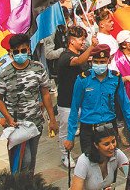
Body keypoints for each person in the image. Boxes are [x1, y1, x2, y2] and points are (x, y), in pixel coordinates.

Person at [0, 33, 59, 173]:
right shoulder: (4, 73)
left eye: (23, 50)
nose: (20, 54)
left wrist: (52, 119)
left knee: (31, 160)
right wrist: (7, 117)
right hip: (16, 125)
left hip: (35, 122)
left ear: (28, 50)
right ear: (11, 52)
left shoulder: (38, 68)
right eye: (16, 51)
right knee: (22, 161)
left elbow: (46, 94)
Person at [67, 44, 130, 154]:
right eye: (96, 62)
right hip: (89, 129)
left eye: (102, 62)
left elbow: (126, 106)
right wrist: (70, 136)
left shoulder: (116, 78)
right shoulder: (82, 79)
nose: (98, 65)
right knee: (91, 165)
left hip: (110, 128)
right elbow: (74, 109)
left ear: (108, 60)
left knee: (112, 163)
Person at [56, 25, 92, 166]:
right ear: (71, 41)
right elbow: (78, 61)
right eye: (81, 39)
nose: (83, 42)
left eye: (85, 39)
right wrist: (91, 47)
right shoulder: (65, 56)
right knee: (66, 131)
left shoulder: (81, 55)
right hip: (67, 103)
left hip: (82, 101)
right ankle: (65, 155)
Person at [71, 122, 129, 190]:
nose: (112, 147)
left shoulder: (117, 154)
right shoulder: (83, 161)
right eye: (106, 144)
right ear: (96, 145)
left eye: (113, 141)